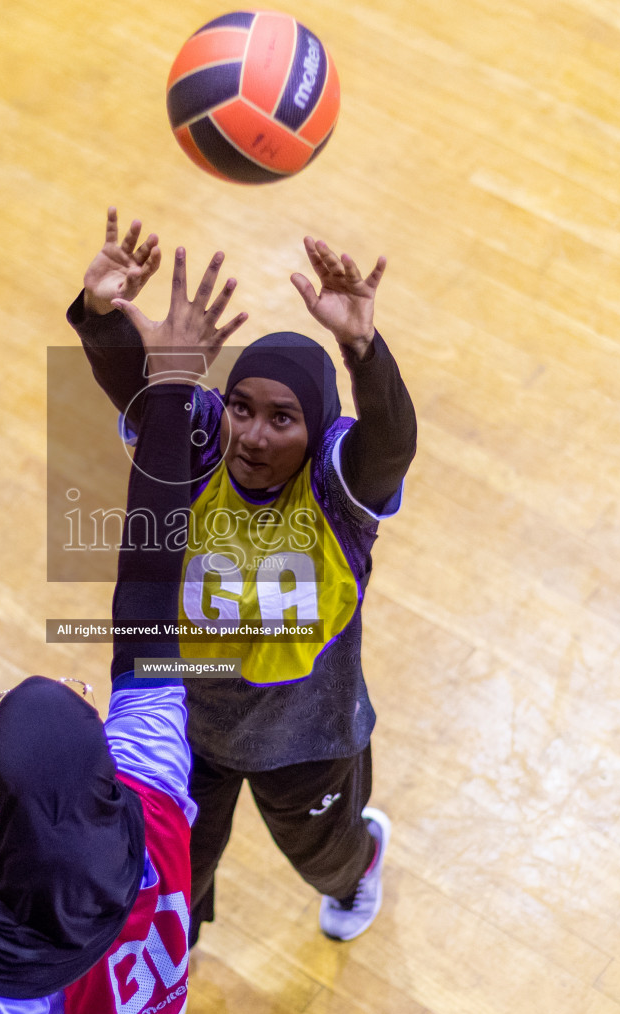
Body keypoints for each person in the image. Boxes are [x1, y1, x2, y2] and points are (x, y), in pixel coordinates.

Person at [67, 208, 418, 943]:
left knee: (327, 862)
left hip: (309, 729)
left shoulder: (337, 484)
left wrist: (361, 346)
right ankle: (171, 960)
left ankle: (361, 863)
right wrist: (102, 314)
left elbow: (391, 442)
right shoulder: (202, 444)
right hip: (187, 718)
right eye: (242, 408)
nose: (254, 436)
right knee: (170, 875)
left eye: (282, 418)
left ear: (317, 428)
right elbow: (141, 386)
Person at [0, 246, 243, 1014]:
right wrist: (168, 389)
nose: (77, 687)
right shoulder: (153, 779)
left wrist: (163, 390)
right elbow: (147, 587)